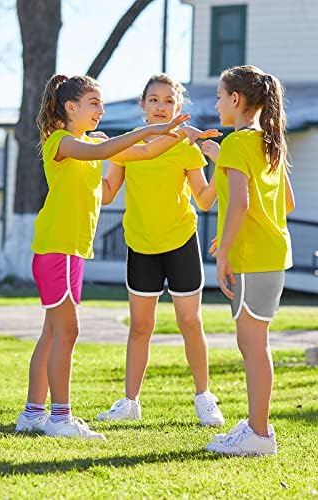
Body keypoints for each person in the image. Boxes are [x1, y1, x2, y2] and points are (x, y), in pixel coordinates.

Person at [15, 74, 217, 439]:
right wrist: (148, 132)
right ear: (70, 107)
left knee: (52, 332)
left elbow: (144, 153)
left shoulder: (90, 141)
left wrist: (173, 134)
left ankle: (32, 412)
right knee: (67, 331)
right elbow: (104, 154)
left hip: (71, 249)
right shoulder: (63, 143)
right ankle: (60, 417)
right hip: (58, 247)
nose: (101, 111)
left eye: (102, 104)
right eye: (94, 103)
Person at [96, 74, 225, 427]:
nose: (160, 106)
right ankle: (130, 402)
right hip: (140, 244)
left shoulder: (185, 146)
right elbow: (107, 193)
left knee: (189, 321)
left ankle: (204, 397)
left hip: (181, 241)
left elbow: (203, 198)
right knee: (140, 326)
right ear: (143, 105)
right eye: (154, 99)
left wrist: (223, 168)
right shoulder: (125, 147)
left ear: (177, 107)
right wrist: (86, 158)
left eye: (168, 100)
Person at [204, 65, 295, 455]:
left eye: (220, 96)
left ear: (236, 100)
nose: (217, 102)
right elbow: (286, 202)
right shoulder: (268, 143)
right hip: (271, 256)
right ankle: (257, 427)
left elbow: (240, 202)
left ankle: (258, 433)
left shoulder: (239, 145)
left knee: (253, 345)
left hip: (252, 259)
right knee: (256, 343)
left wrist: (225, 251)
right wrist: (227, 234)